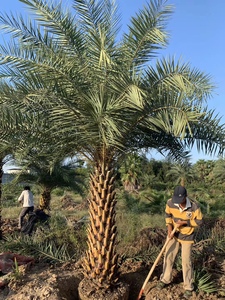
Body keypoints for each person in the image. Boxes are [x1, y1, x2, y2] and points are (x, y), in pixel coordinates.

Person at [157, 186, 203, 299]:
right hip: (174, 234)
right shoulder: (170, 203)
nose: (179, 203)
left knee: (186, 261)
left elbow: (200, 221)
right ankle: (165, 279)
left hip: (187, 235)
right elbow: (167, 215)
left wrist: (185, 223)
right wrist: (169, 229)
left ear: (185, 197)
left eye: (181, 201)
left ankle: (188, 287)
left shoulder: (194, 206)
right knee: (168, 256)